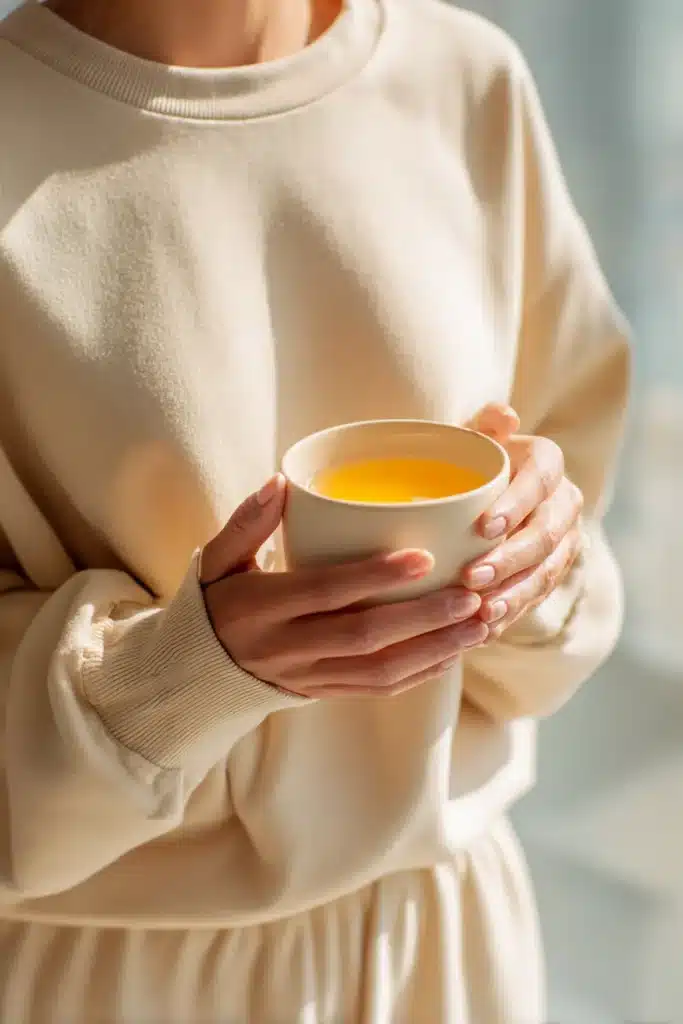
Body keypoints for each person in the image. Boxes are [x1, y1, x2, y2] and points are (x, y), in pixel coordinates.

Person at [0, 0, 629, 1020]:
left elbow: (576, 559)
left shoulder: (466, 82)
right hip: (101, 978)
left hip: (438, 947)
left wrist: (531, 565)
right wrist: (180, 677)